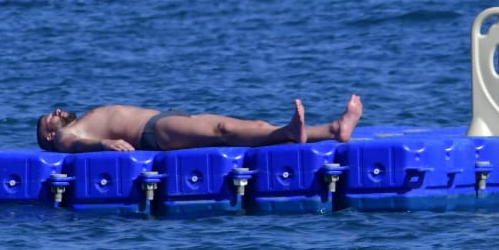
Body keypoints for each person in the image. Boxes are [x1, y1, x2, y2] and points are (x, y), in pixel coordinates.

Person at [36, 95, 363, 153]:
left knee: (252, 124)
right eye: (50, 117)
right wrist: (104, 144)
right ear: (50, 133)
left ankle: (333, 131)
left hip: (163, 120)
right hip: (152, 132)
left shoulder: (76, 123)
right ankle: (290, 133)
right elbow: (76, 147)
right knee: (223, 133)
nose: (58, 110)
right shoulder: (66, 136)